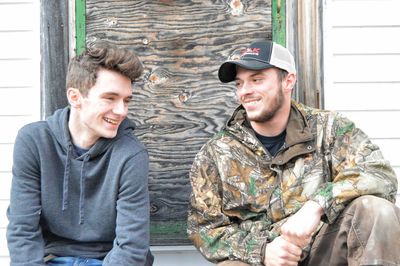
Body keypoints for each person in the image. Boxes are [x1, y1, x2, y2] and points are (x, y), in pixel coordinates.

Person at [187, 40, 400, 266]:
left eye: (256, 80)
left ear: (288, 81)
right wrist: (262, 251)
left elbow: (379, 175)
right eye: (239, 83)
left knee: (376, 210)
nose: (245, 91)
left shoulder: (329, 130)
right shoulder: (216, 153)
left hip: (323, 252)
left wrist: (317, 205)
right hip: (261, 261)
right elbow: (204, 230)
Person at [7, 41, 154, 266]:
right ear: (75, 97)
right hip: (54, 259)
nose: (122, 111)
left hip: (110, 260)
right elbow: (22, 229)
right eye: (110, 98)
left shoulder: (131, 155)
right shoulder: (34, 142)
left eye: (126, 100)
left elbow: (132, 246)